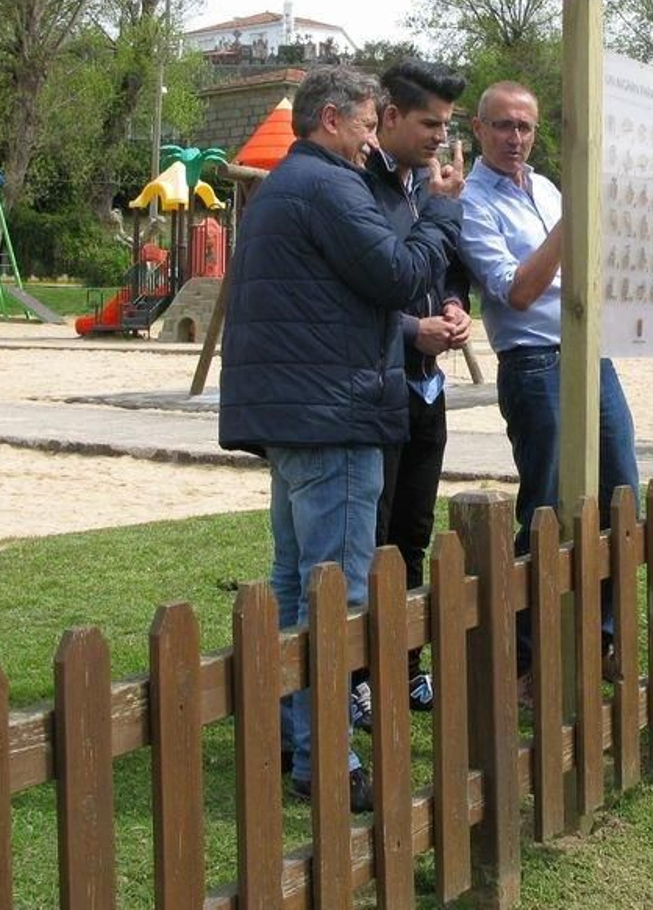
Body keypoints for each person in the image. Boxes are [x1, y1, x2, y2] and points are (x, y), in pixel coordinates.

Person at [219, 66, 462, 812]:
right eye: (365, 124)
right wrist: (441, 214)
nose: (370, 138)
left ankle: (301, 747)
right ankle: (328, 763)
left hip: (294, 420)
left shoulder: (282, 188)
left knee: (297, 588)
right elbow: (397, 274)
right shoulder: (329, 186)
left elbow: (322, 302)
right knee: (337, 600)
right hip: (335, 420)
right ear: (332, 119)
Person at [458, 80, 639, 680]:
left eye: (526, 127)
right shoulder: (473, 203)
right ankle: (527, 658)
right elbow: (516, 289)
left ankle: (603, 640)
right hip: (534, 363)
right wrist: (572, 227)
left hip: (591, 355)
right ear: (480, 129)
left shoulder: (549, 189)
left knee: (623, 495)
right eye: (504, 126)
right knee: (547, 509)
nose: (516, 138)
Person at [350, 58, 473, 723]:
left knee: (412, 536)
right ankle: (361, 675)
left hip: (427, 391)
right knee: (370, 541)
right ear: (390, 117)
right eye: (430, 123)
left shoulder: (424, 188)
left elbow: (444, 269)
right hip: (378, 389)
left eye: (446, 125)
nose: (438, 139)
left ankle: (405, 666)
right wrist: (410, 331)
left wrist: (454, 308)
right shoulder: (355, 189)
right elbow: (356, 297)